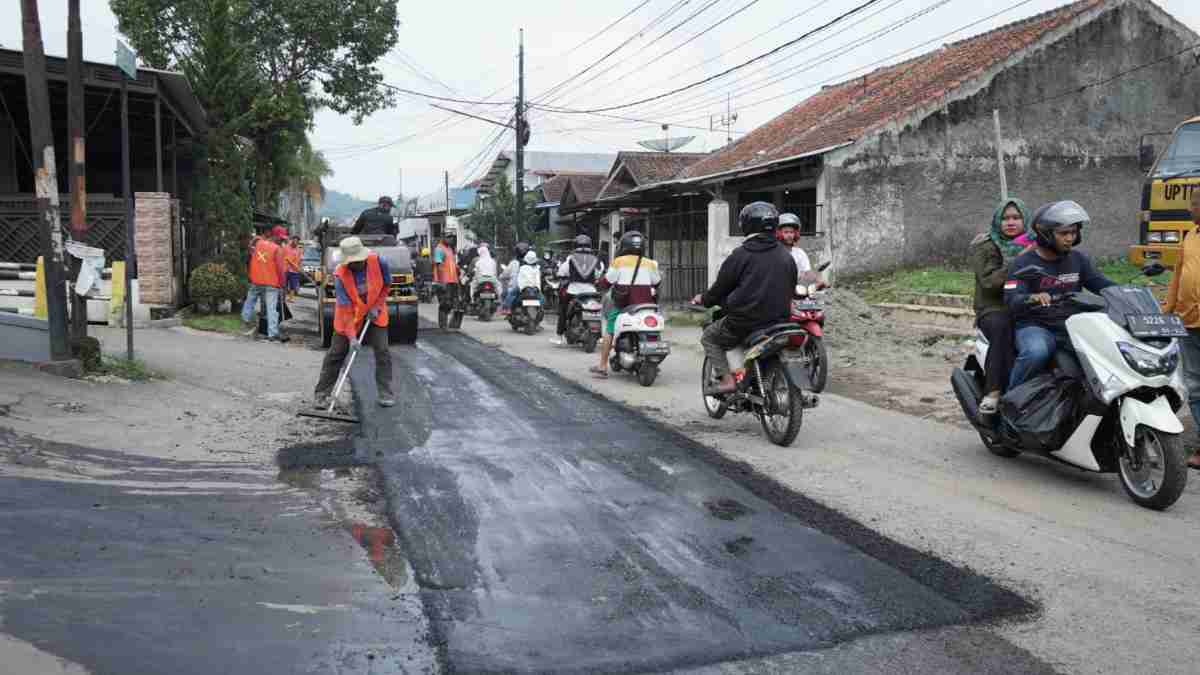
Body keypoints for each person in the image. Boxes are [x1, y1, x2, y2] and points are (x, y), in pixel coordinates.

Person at [1004, 200, 1116, 390]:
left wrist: (1129, 293)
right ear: (1046, 235)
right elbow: (1011, 299)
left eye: (1073, 233)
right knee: (1036, 352)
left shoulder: (1079, 260)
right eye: (1063, 233)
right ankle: (1011, 402)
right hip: (1035, 325)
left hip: (1072, 325)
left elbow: (1102, 285)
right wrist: (1032, 297)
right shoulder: (1022, 263)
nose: (1069, 238)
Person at [690, 202, 796, 394]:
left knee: (709, 337)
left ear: (747, 225)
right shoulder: (787, 255)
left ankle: (728, 380)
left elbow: (720, 289)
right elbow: (791, 287)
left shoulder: (741, 255)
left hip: (745, 322)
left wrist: (703, 299)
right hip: (780, 322)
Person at [313, 237, 394, 408]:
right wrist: (352, 338)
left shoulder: (380, 262)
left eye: (356, 261)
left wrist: (377, 306)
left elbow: (386, 285)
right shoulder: (340, 274)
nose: (352, 265)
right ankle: (322, 394)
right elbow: (345, 310)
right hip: (350, 315)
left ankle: (385, 393)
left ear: (363, 257)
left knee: (383, 351)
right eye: (349, 262)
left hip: (375, 312)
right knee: (336, 352)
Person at [970, 198, 1030, 417]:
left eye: (1016, 217)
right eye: (1005, 218)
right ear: (997, 221)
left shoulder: (1036, 244)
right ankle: (993, 391)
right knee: (1003, 328)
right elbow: (989, 282)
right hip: (994, 307)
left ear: (1026, 220)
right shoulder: (984, 246)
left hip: (1026, 305)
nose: (1011, 222)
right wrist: (1017, 261)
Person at [1161, 188, 1200, 469]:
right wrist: (1166, 311)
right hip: (1189, 322)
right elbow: (1177, 276)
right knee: (1196, 386)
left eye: (1196, 203)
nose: (1191, 208)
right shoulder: (1190, 235)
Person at [593, 230, 661, 378]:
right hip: (646, 306)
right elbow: (656, 281)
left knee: (610, 330)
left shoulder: (618, 262)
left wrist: (599, 283)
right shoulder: (649, 263)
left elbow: (607, 281)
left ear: (623, 246)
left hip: (624, 305)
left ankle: (603, 365)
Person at [241, 225, 288, 342]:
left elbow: (251, 253)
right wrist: (283, 283)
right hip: (271, 282)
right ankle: (272, 333)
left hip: (256, 279)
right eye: (281, 238)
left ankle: (245, 320)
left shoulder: (258, 243)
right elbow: (280, 268)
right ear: (276, 236)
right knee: (271, 307)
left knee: (250, 299)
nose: (282, 241)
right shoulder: (277, 249)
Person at [552, 235, 602, 345]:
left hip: (574, 290)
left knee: (563, 311)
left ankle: (559, 336)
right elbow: (598, 273)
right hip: (591, 291)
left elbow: (562, 272)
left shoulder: (571, 258)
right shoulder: (595, 258)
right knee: (598, 310)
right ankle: (601, 336)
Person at [432, 233, 461, 317]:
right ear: (443, 238)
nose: (451, 239)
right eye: (448, 237)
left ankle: (446, 324)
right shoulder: (439, 249)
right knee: (445, 304)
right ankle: (443, 325)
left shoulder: (449, 249)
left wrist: (458, 269)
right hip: (444, 281)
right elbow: (439, 266)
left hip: (452, 280)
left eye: (452, 237)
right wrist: (441, 282)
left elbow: (451, 264)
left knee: (451, 303)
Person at [500, 242, 531, 315]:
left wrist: (501, 276)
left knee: (505, 293)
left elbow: (504, 275)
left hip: (517, 287)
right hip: (531, 287)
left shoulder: (514, 263)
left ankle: (506, 309)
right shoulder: (533, 264)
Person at [284, 236, 302, 301]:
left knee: (293, 285)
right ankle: (284, 297)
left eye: (297, 241)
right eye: (294, 241)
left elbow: (299, 260)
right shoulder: (286, 247)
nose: (295, 243)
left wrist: (299, 267)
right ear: (292, 240)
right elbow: (285, 258)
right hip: (285, 269)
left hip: (294, 270)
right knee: (284, 284)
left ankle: (291, 298)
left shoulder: (299, 250)